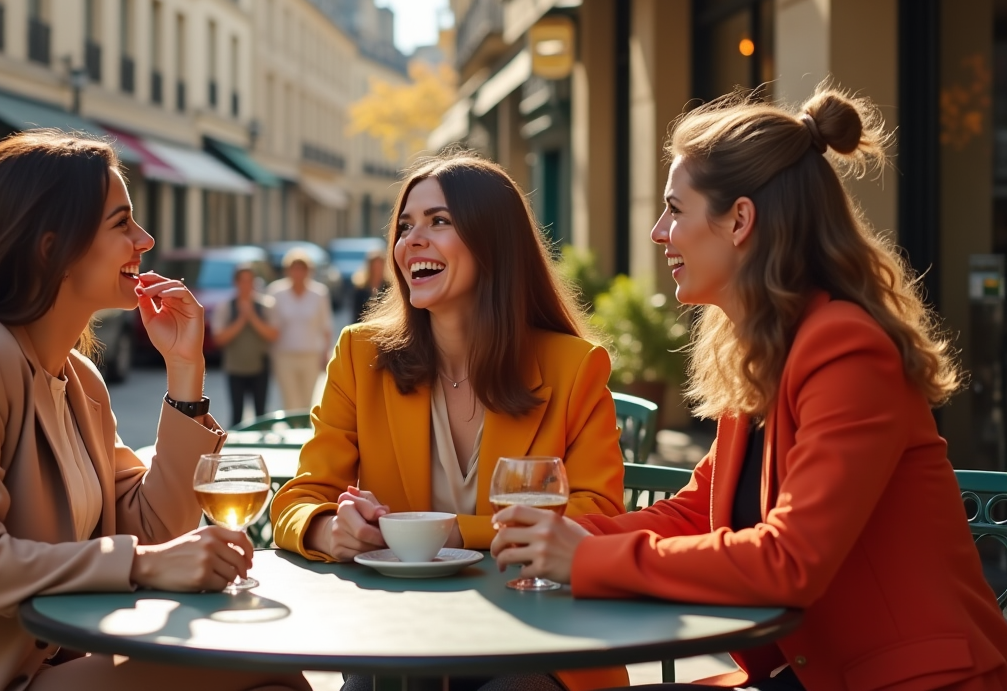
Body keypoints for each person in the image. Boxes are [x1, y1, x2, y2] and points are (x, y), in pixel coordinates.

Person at [490, 89, 1007, 690]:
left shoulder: (846, 348)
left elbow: (790, 561)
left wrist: (581, 558)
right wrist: (555, 540)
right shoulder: (765, 354)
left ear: (739, 220)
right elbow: (693, 514)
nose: (660, 233)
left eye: (675, 210)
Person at [0, 131, 309, 691]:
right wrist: (141, 565)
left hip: (54, 668)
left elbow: (155, 528)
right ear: (51, 248)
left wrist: (185, 373)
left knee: (267, 665)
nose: (145, 238)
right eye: (121, 224)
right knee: (260, 666)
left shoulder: (78, 379)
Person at [271, 153, 628, 691]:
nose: (412, 239)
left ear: (494, 243)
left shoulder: (574, 367)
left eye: (439, 221)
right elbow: (298, 500)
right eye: (405, 225)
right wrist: (331, 528)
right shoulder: (360, 357)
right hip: (402, 637)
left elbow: (597, 513)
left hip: (537, 640)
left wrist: (454, 533)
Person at [212, 262, 279, 427]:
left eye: (250, 280)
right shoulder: (226, 306)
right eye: (242, 280)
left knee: (261, 415)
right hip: (235, 367)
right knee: (237, 415)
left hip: (260, 367)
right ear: (235, 282)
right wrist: (241, 320)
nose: (246, 285)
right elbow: (219, 338)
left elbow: (273, 334)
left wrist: (252, 317)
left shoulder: (266, 305)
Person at [268, 248, 333, 411]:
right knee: (290, 402)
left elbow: (326, 325)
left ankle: (304, 435)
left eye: (302, 268)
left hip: (310, 355)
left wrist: (326, 354)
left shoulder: (319, 293)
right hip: (284, 355)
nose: (298, 273)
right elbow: (271, 325)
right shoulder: (276, 292)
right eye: (294, 268)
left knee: (307, 403)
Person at [350, 248, 389, 322]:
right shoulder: (360, 288)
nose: (377, 270)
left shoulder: (388, 287)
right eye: (375, 267)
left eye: (379, 267)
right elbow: (356, 314)